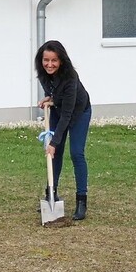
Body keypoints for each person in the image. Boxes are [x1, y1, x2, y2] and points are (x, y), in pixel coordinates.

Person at [35, 40, 91, 221]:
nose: (49, 64)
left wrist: (53, 141)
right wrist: (50, 98)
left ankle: (81, 201)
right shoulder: (43, 74)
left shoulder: (70, 77)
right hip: (60, 110)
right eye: (46, 60)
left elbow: (68, 114)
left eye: (54, 61)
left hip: (78, 113)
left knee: (76, 153)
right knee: (55, 153)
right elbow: (56, 92)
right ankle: (52, 194)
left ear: (61, 61)